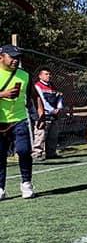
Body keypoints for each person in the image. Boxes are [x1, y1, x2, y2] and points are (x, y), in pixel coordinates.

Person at [0, 44, 37, 199]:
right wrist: (3, 94)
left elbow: (32, 96)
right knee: (0, 155)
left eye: (18, 57)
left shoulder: (24, 75)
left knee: (23, 150)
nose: (16, 60)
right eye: (12, 57)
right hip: (0, 122)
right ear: (1, 57)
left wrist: (39, 113)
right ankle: (1, 188)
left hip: (20, 119)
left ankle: (26, 183)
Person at [32, 66, 65, 161]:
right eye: (46, 74)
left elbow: (59, 97)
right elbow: (41, 100)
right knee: (40, 135)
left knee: (53, 135)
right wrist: (50, 110)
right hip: (43, 115)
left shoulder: (53, 86)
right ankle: (37, 153)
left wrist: (59, 107)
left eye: (50, 74)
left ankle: (51, 153)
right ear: (40, 76)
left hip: (54, 115)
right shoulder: (37, 86)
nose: (49, 76)